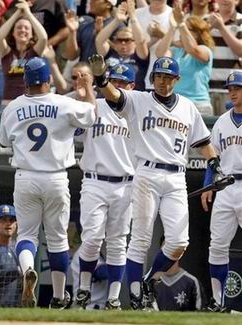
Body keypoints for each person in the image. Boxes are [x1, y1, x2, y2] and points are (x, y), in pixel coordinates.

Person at [88, 53, 226, 310]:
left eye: (168, 77)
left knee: (179, 241)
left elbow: (204, 144)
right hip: (147, 173)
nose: (162, 81)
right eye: (158, 76)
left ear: (177, 79)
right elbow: (114, 96)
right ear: (152, 78)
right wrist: (100, 78)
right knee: (140, 239)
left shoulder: (187, 106)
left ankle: (149, 279)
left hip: (176, 175)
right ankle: (136, 295)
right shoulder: (140, 99)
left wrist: (215, 165)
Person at [0, 56, 96, 309]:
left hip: (26, 176)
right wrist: (87, 91)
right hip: (56, 177)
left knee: (27, 235)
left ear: (25, 81)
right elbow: (92, 116)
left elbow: (3, 141)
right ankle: (60, 296)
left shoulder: (13, 106)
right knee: (58, 239)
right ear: (49, 80)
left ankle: (28, 268)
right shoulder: (63, 103)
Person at [74, 63, 136, 310]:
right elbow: (76, 128)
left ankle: (113, 297)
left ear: (132, 86)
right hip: (95, 180)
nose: (117, 86)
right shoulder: (94, 104)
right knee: (91, 239)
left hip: (126, 184)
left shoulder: (138, 111)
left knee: (118, 242)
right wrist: (86, 93)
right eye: (115, 81)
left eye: (123, 83)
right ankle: (84, 288)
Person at [201, 71, 242, 312]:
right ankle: (218, 302)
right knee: (217, 245)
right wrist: (208, 184)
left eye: (238, 87)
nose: (233, 92)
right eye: (230, 88)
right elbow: (212, 157)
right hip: (225, 186)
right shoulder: (222, 121)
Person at [156, 3, 215, 116]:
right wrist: (173, 27)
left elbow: (193, 49)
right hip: (175, 103)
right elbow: (161, 54)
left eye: (188, 29)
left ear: (198, 34)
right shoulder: (177, 51)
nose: (182, 31)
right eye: (182, 28)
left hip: (198, 105)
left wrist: (181, 23)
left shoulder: (205, 50)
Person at [0, 0, 47, 107]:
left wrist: (28, 13)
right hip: (8, 104)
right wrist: (17, 13)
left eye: (27, 28)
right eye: (18, 27)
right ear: (13, 33)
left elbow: (43, 37)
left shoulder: (34, 53)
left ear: (32, 34)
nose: (22, 30)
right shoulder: (7, 52)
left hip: (29, 104)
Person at [95, 0, 149, 90]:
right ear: (115, 43)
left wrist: (133, 17)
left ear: (134, 43)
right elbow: (99, 41)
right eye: (119, 40)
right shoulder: (110, 53)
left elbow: (141, 41)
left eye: (127, 40)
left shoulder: (139, 56)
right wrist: (117, 20)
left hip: (131, 98)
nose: (123, 43)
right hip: (106, 95)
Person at [207, 0, 242, 115]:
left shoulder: (241, 20)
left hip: (233, 89)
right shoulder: (206, 19)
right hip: (206, 89)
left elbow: (240, 50)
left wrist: (221, 28)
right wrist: (207, 28)